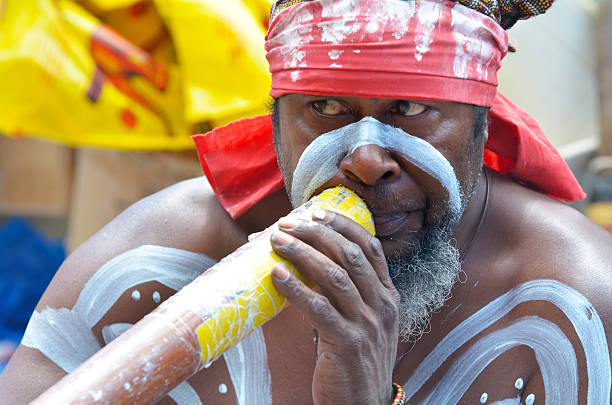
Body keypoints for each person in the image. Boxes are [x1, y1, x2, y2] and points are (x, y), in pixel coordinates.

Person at [1, 0, 611, 404]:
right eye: (325, 109)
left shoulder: (574, 306)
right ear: (276, 121)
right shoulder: (158, 262)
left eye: (413, 110)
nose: (367, 158)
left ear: (480, 124)